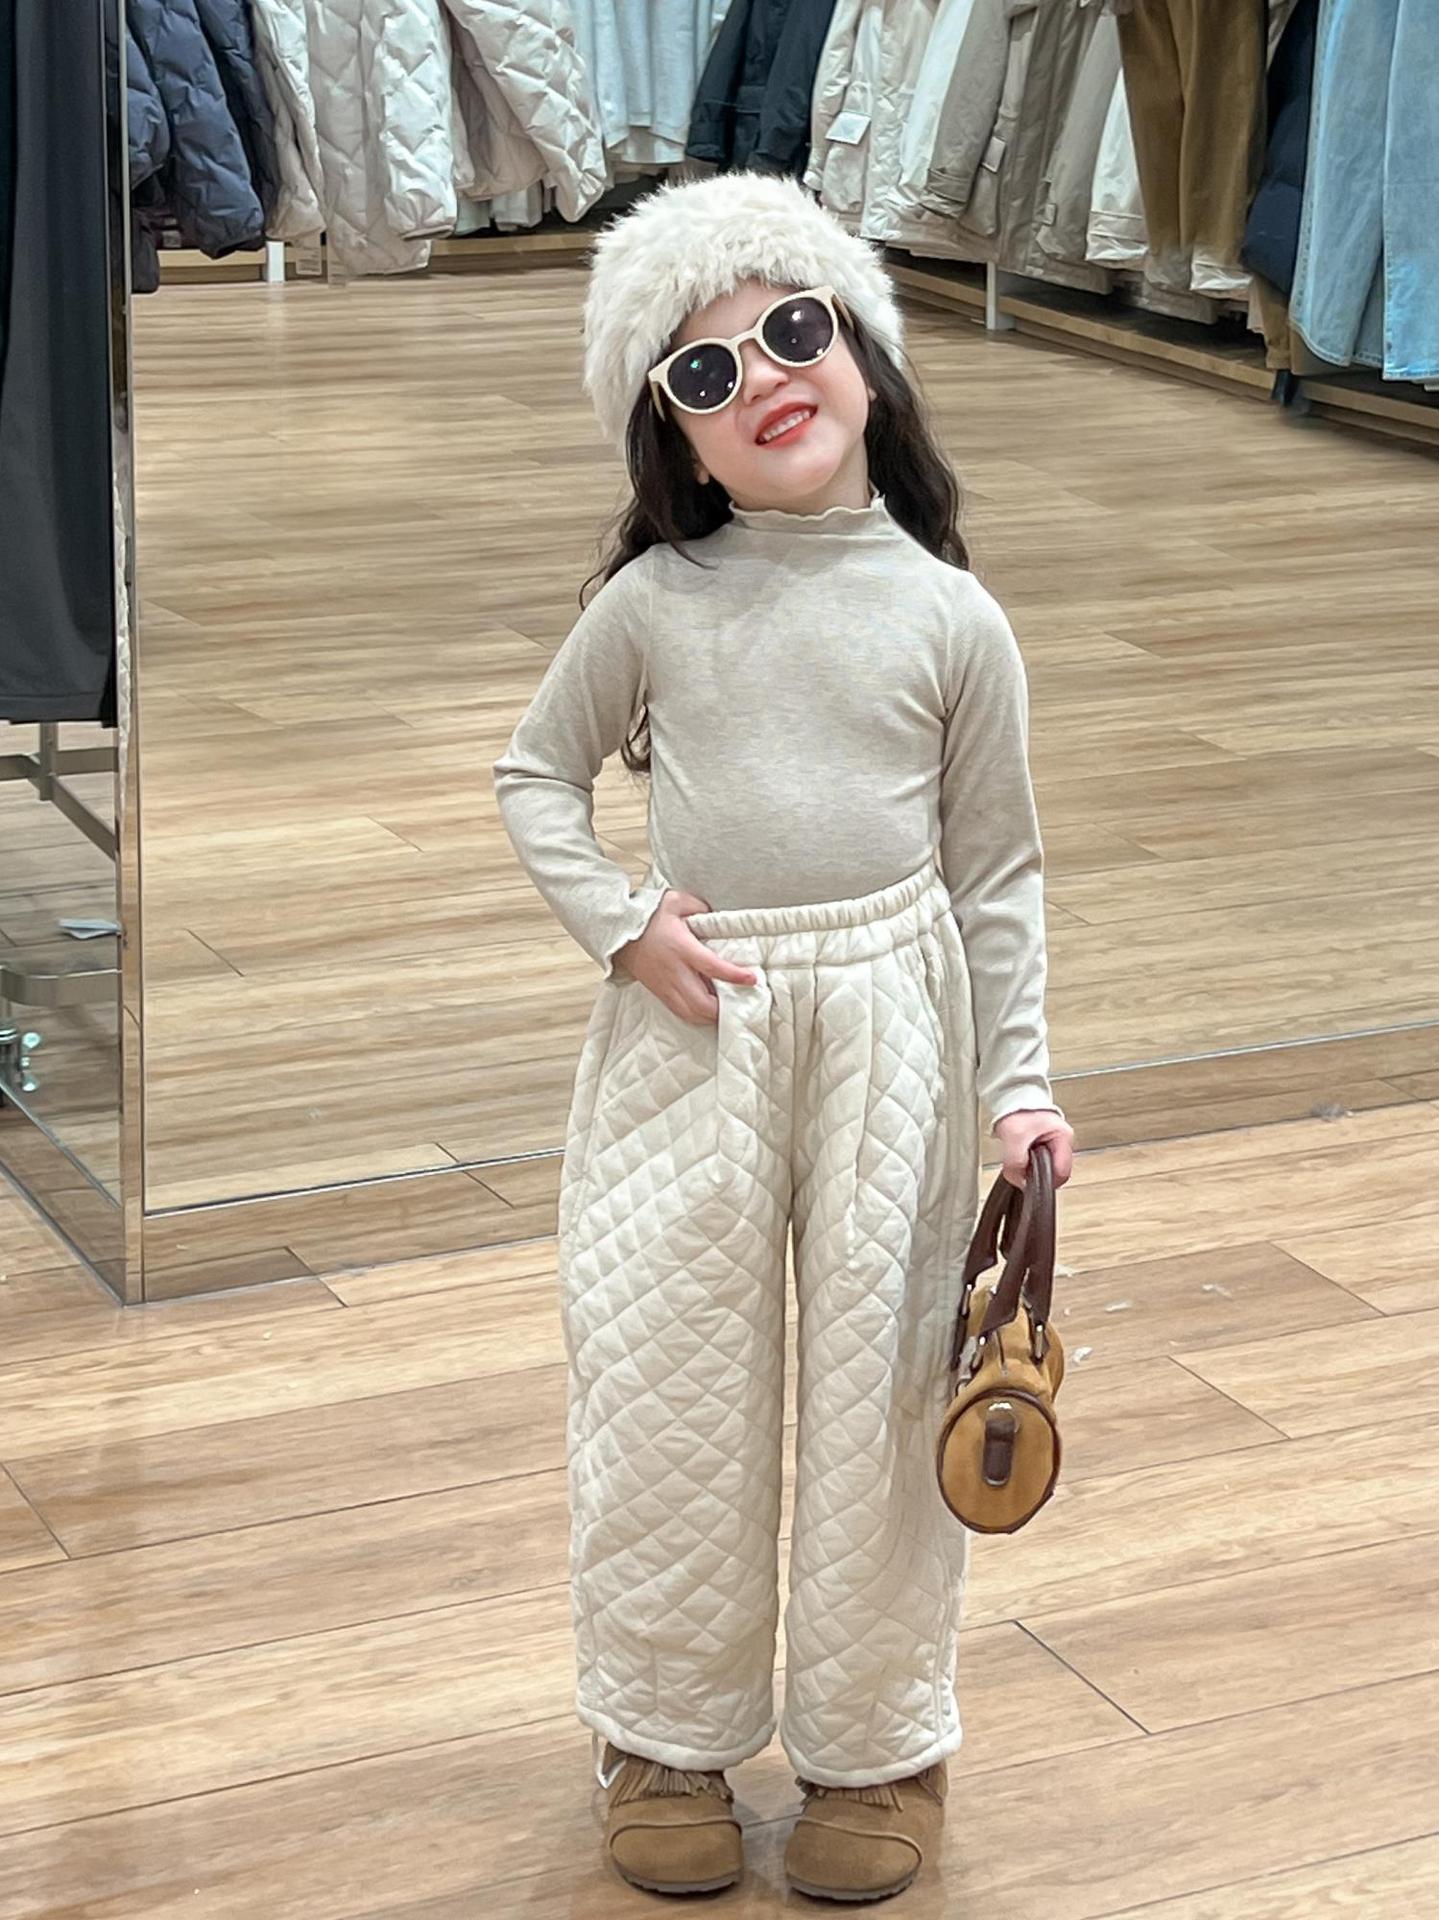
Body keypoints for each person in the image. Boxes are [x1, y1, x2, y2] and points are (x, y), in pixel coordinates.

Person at [493, 170, 1076, 1904]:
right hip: (698, 1027)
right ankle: (662, 1734)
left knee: (885, 1395)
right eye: (703, 370)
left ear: (867, 354)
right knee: (671, 1379)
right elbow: (534, 772)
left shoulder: (954, 618)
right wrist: (622, 923)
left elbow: (998, 873)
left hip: (896, 1028)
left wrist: (1021, 1084)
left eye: (793, 329)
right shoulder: (653, 607)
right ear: (673, 439)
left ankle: (878, 1747)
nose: (760, 375)